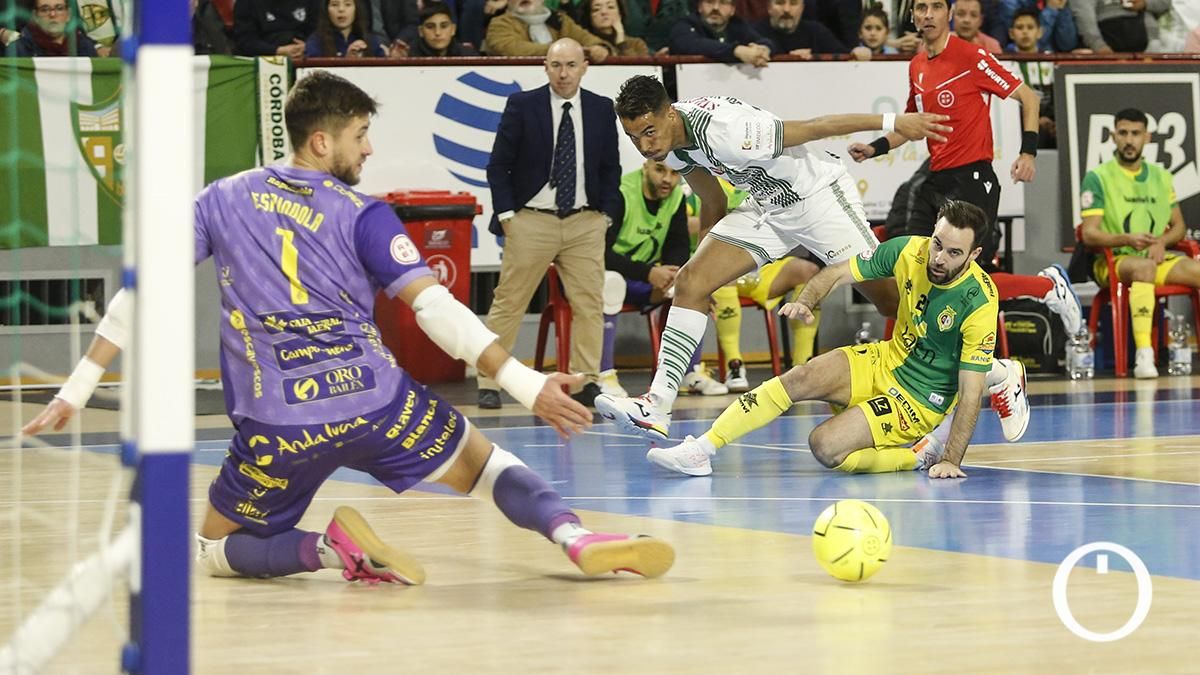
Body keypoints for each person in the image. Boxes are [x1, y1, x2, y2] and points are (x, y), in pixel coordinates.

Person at [22, 71, 674, 584]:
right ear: (321, 142)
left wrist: (77, 388)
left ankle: (329, 550)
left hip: (279, 422)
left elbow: (141, 290)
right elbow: (434, 309)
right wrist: (526, 384)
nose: (368, 147)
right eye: (360, 134)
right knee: (487, 465)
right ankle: (574, 536)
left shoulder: (219, 199)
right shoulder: (364, 213)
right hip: (377, 402)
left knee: (213, 547)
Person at [594, 74, 952, 442]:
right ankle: (656, 405)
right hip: (767, 207)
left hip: (818, 200)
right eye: (633, 137)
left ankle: (966, 372)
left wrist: (895, 121)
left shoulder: (728, 131)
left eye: (649, 132)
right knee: (690, 282)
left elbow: (817, 126)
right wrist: (706, 275)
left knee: (891, 302)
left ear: (669, 114)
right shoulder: (669, 146)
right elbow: (714, 202)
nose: (644, 146)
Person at [647, 201, 1001, 479]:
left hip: (919, 398)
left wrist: (952, 459)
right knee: (799, 377)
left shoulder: (979, 302)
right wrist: (806, 299)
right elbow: (839, 271)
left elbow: (970, 393)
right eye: (937, 244)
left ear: (974, 255)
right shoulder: (910, 250)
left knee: (826, 447)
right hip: (885, 359)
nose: (938, 258)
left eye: (953, 253)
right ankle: (702, 450)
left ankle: (919, 455)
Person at [848, 0, 1084, 346]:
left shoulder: (971, 56)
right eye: (921, 7)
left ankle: (1047, 287)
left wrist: (1028, 153)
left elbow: (1029, 98)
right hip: (937, 178)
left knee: (966, 277)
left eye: (936, 7)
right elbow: (911, 126)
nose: (928, 14)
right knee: (918, 270)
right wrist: (875, 148)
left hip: (973, 177)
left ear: (949, 14)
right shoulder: (917, 65)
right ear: (912, 16)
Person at [479, 39, 621, 409]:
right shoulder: (522, 105)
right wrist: (507, 215)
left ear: (584, 66)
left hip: (585, 221)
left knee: (590, 303)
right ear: (545, 66)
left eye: (571, 65)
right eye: (556, 65)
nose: (563, 73)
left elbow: (611, 168)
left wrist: (605, 215)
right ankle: (489, 380)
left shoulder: (601, 108)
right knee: (509, 300)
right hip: (531, 219)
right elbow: (498, 165)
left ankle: (585, 381)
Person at [1079, 108, 1200, 378]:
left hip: (1156, 258)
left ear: (1147, 137)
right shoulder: (1098, 177)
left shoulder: (1161, 176)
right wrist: (1126, 239)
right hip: (1114, 261)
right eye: (1123, 133)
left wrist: (1162, 241)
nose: (1129, 140)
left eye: (1136, 133)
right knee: (1143, 268)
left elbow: (1179, 226)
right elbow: (1089, 234)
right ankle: (1145, 354)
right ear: (1113, 136)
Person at [600, 159, 728, 397]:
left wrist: (674, 278)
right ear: (645, 167)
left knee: (693, 287)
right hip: (609, 276)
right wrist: (648, 273)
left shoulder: (676, 197)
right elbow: (599, 252)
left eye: (674, 173)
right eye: (660, 170)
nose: (667, 179)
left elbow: (677, 249)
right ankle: (603, 374)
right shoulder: (620, 192)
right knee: (611, 284)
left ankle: (689, 373)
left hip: (646, 281)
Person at [711, 255, 821, 392]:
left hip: (762, 270)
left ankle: (802, 367)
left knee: (809, 271)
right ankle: (734, 365)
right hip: (725, 271)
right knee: (721, 270)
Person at [484, 0, 611, 58]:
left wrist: (600, 48)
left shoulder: (560, 20)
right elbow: (513, 49)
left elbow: (586, 39)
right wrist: (563, 50)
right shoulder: (499, 24)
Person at [669, 0, 774, 67]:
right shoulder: (685, 24)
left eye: (723, 2)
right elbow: (688, 44)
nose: (716, 8)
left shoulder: (738, 25)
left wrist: (763, 49)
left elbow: (762, 40)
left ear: (732, 10)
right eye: (709, 2)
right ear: (699, 7)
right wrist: (736, 50)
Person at [753, 0, 870, 60]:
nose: (787, 9)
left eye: (793, 3)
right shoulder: (754, 32)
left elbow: (845, 57)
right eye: (780, 3)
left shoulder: (817, 31)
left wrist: (858, 53)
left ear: (802, 8)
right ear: (769, 7)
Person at [234, 0, 321, 57]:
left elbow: (320, 31)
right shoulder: (246, 3)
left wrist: (309, 47)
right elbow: (246, 41)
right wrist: (278, 51)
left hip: (305, 55)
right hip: (263, 58)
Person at [10, 1, 100, 56]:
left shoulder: (85, 46)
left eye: (59, 8)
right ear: (35, 16)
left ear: (69, 15)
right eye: (45, 10)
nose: (52, 14)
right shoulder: (19, 49)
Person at [305, 0, 389, 57]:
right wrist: (346, 61)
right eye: (334, 4)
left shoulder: (371, 40)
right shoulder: (316, 41)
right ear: (326, 10)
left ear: (356, 9)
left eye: (348, 4)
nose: (341, 9)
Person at [407, 1, 480, 56]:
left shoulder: (468, 56)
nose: (437, 32)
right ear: (421, 31)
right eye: (430, 27)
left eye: (444, 26)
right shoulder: (409, 57)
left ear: (453, 29)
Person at [578, 0, 650, 55]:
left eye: (610, 7)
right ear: (589, 16)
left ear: (620, 14)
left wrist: (621, 43)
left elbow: (635, 69)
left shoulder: (637, 44)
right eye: (596, 9)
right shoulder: (584, 44)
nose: (604, 12)